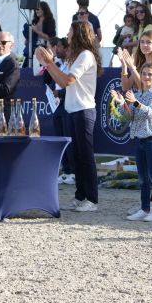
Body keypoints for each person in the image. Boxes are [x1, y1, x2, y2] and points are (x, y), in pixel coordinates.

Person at [36, 21, 102, 212]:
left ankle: (91, 199)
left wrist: (49, 63)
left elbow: (66, 81)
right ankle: (80, 196)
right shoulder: (75, 57)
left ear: (79, 34)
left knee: (86, 156)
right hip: (72, 110)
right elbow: (60, 81)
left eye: (70, 31)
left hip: (84, 110)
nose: (67, 34)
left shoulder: (85, 55)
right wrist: (48, 65)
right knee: (76, 156)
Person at [111, 64, 152, 222]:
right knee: (142, 178)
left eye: (150, 74)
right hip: (139, 140)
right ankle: (145, 208)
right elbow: (129, 117)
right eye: (144, 74)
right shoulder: (138, 94)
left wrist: (135, 103)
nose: (146, 77)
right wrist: (121, 102)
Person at [44, 37, 75, 185]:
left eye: (60, 47)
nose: (57, 50)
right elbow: (46, 78)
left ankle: (73, 171)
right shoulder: (60, 64)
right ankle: (66, 170)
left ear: (67, 49)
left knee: (68, 137)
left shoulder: (73, 65)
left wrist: (59, 93)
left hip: (67, 103)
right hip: (57, 104)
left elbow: (73, 86)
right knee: (60, 137)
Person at [23, 2, 56, 67]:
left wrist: (36, 30)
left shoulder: (50, 21)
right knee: (27, 69)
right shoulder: (34, 21)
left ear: (44, 9)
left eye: (38, 9)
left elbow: (50, 38)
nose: (36, 11)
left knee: (39, 71)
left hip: (44, 50)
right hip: (32, 50)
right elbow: (28, 38)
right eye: (35, 9)